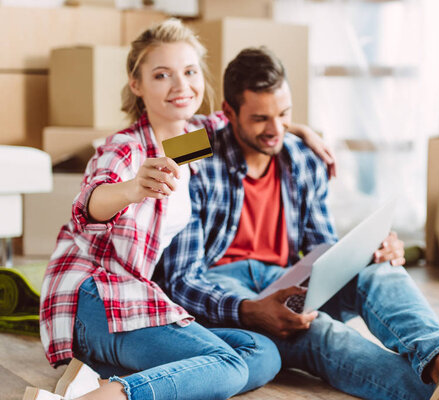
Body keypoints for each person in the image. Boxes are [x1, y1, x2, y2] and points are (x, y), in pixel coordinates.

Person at [162, 47, 439, 400]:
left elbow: (321, 244)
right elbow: (181, 277)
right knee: (324, 334)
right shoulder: (197, 151)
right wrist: (249, 310)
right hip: (227, 287)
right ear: (228, 114)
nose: (276, 130)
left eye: (285, 115)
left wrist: (367, 253)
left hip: (288, 276)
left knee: (380, 270)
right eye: (260, 118)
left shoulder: (300, 157)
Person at [25, 20, 336, 400]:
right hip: (94, 296)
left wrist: (302, 131)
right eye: (162, 75)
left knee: (263, 352)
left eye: (189, 72)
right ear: (136, 85)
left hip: (140, 296)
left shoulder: (194, 140)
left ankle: (101, 379)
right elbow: (88, 204)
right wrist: (132, 188)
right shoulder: (126, 149)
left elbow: (253, 121)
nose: (181, 86)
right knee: (232, 364)